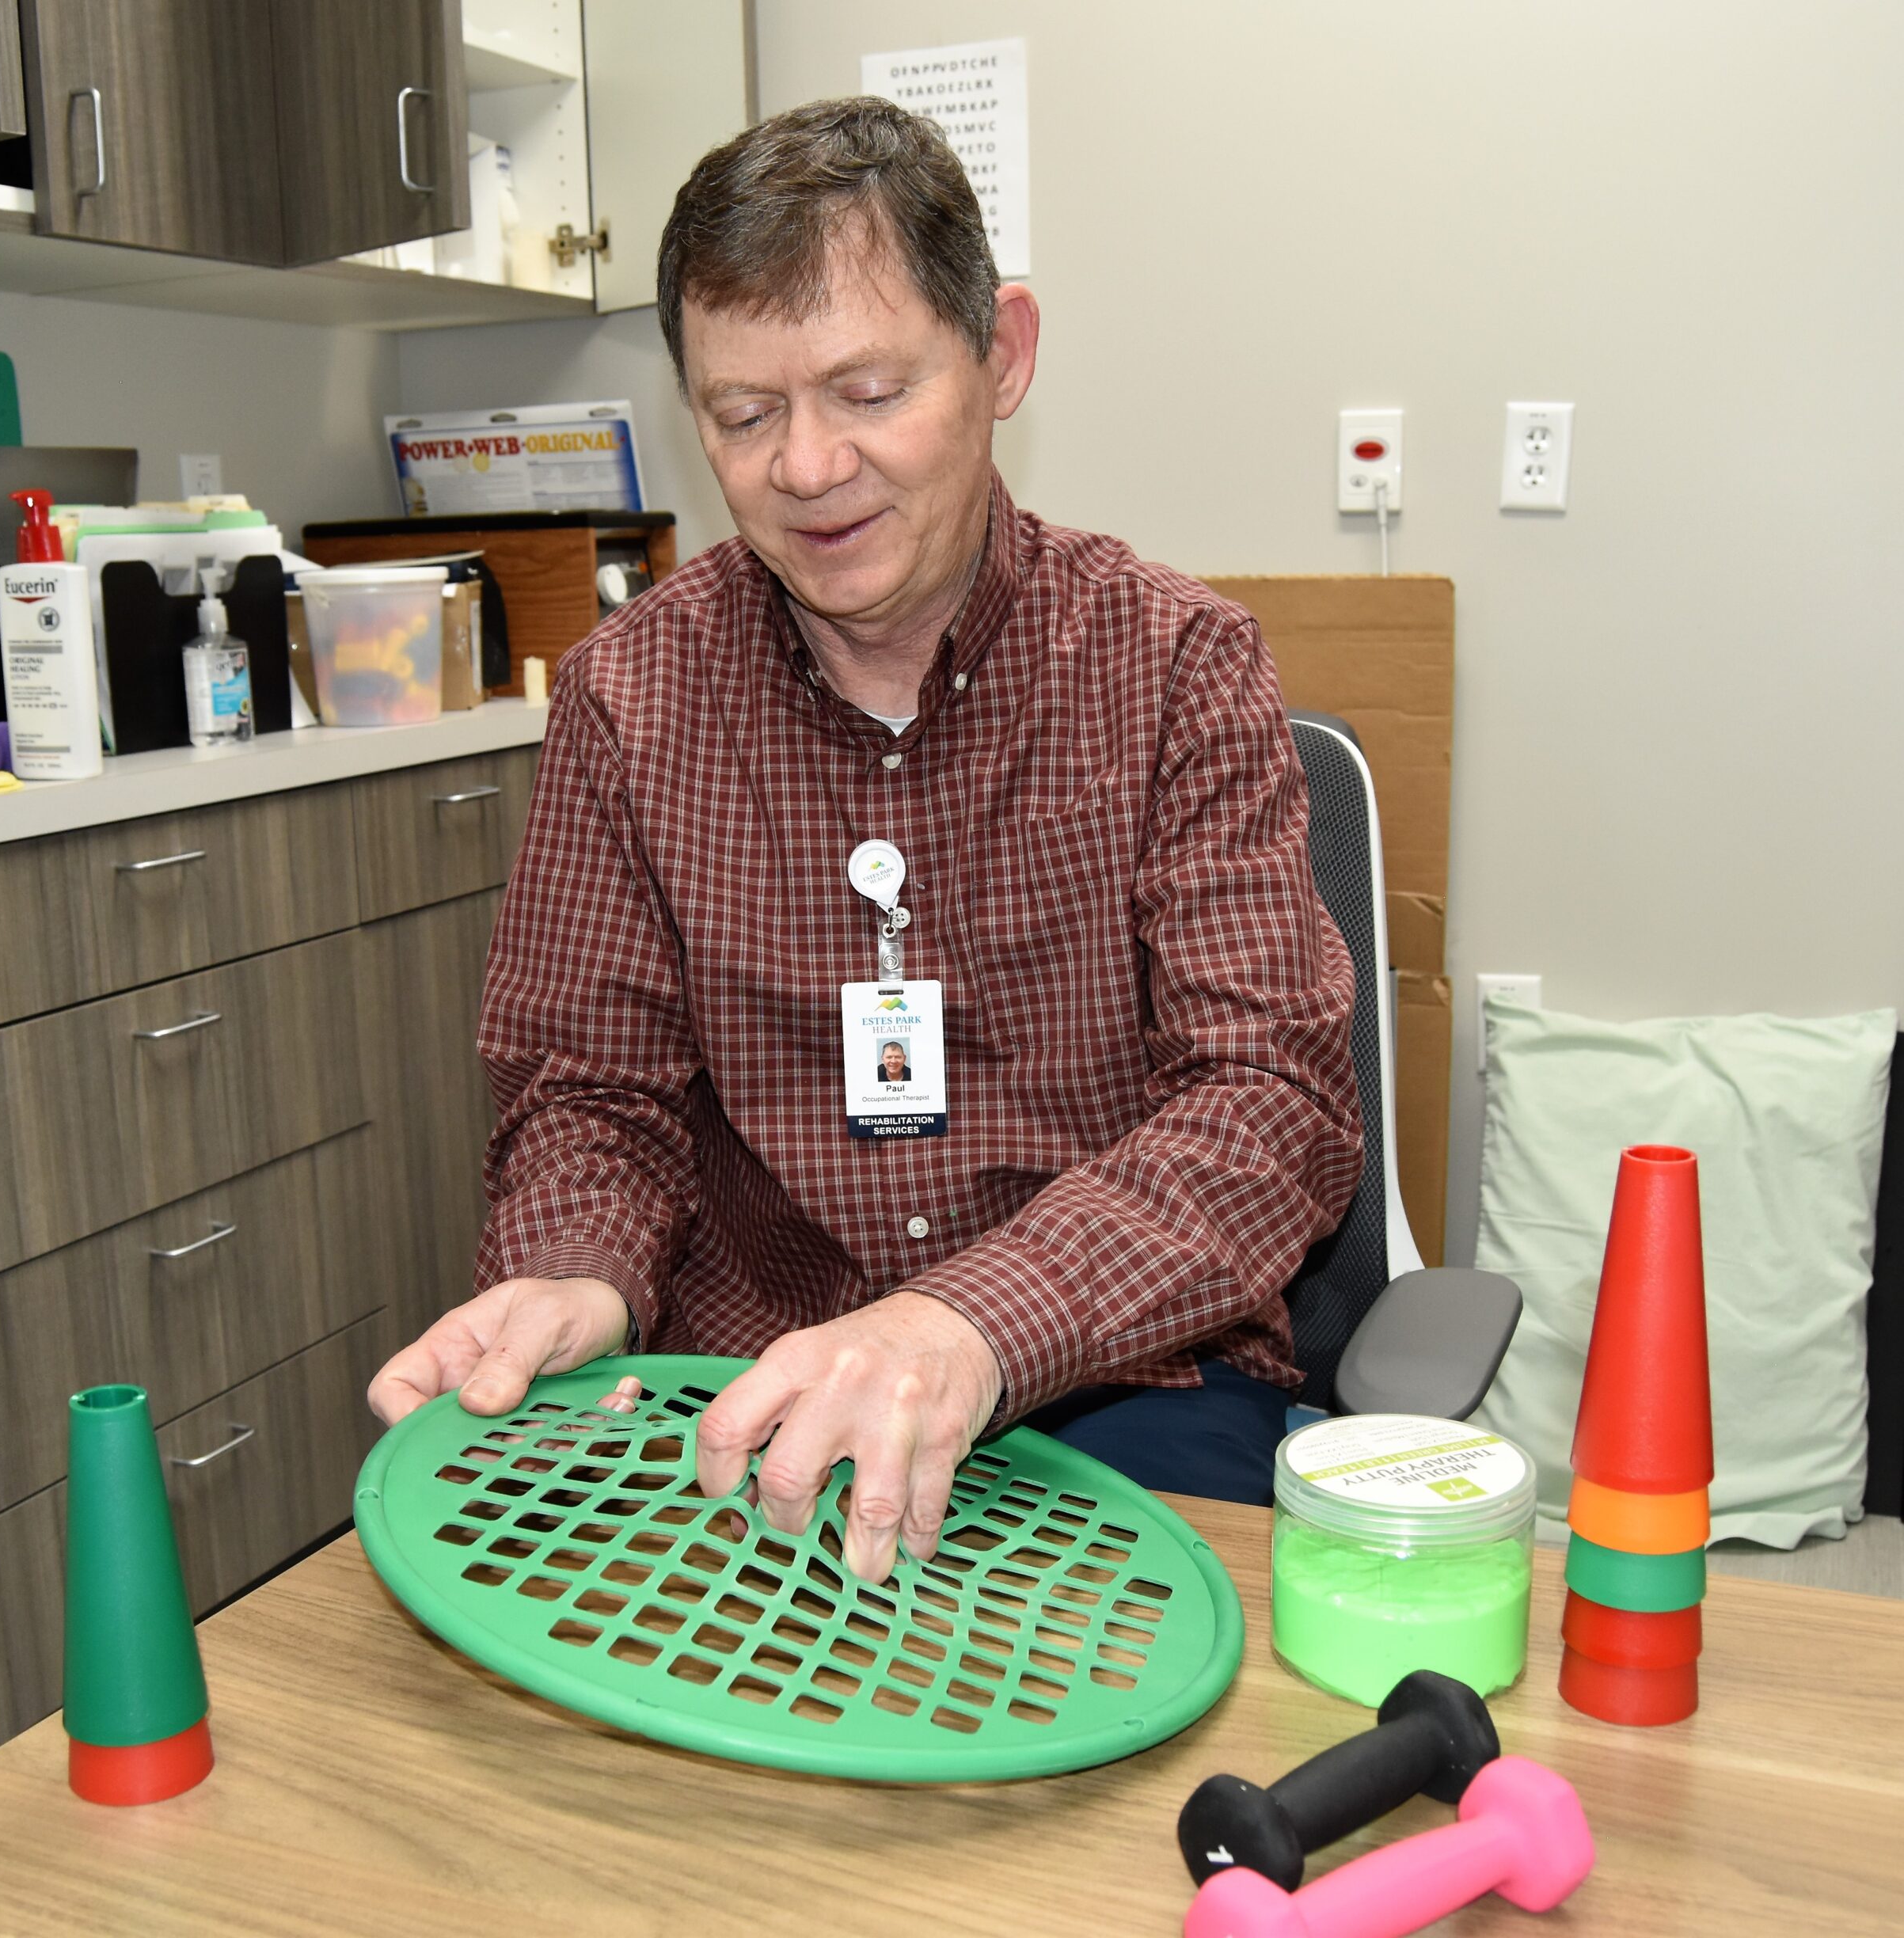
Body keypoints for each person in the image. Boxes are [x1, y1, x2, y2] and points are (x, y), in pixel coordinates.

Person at [369, 97, 1363, 1584]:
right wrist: (574, 1269)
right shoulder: (629, 699)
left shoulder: (1176, 666)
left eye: (869, 390)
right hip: (741, 1402)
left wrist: (970, 1325)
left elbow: (1269, 1105)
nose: (809, 468)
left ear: (1003, 355)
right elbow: (590, 1091)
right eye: (745, 414)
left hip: (1121, 1393)